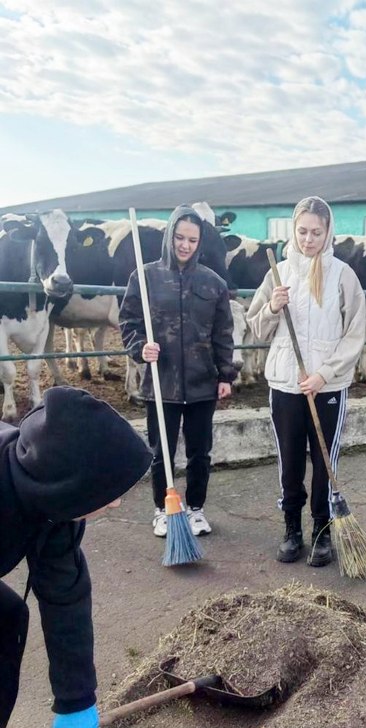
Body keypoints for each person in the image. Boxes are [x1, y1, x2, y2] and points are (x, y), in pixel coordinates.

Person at [0, 387, 152, 728]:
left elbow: (65, 594)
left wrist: (76, 696)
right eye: (108, 491)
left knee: (7, 618)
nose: (118, 502)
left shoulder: (53, 501)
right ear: (73, 482)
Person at [246, 196, 366, 566]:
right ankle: (291, 529)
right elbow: (256, 328)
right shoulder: (277, 274)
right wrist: (272, 307)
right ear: (293, 230)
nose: (309, 239)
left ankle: (322, 531)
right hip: (286, 384)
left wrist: (323, 375)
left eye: (316, 232)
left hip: (327, 387)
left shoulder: (343, 275)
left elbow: (354, 334)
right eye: (302, 231)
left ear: (328, 231)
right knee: (291, 462)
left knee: (324, 461)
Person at [120, 204, 236, 539]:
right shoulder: (145, 277)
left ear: (200, 243)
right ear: (170, 236)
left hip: (203, 383)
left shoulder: (213, 283)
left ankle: (196, 508)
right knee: (161, 452)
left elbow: (223, 333)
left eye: (192, 240)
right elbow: (128, 322)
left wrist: (225, 375)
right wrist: (140, 346)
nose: (185, 245)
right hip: (161, 383)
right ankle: (164, 509)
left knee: (201, 452)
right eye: (180, 237)